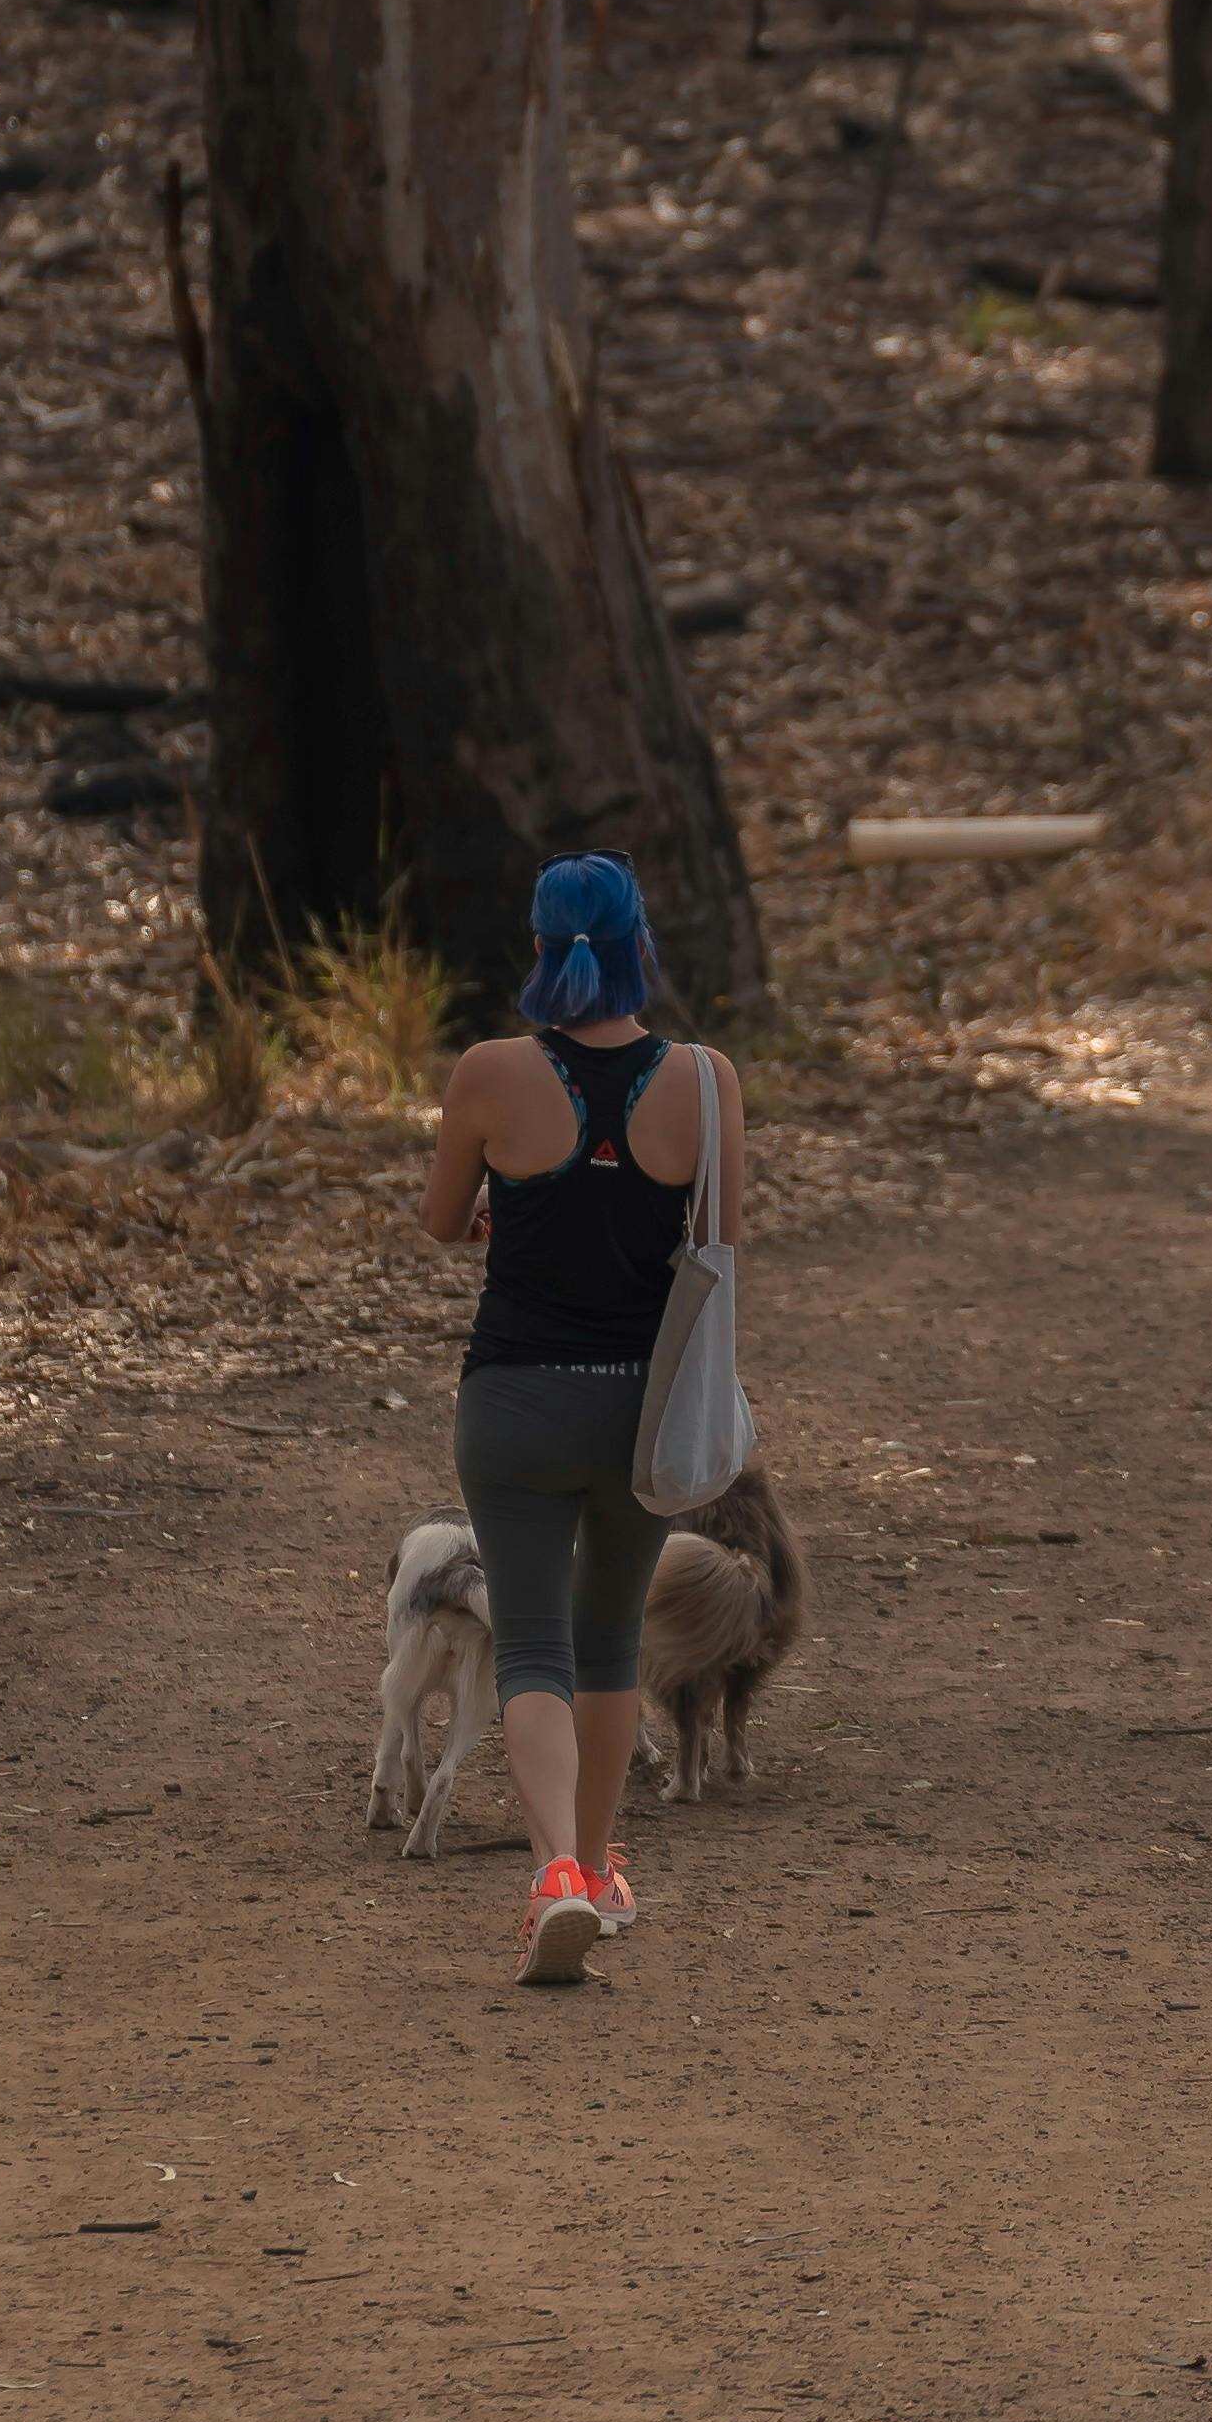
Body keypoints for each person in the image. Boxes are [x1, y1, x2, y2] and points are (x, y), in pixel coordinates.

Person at [419, 847, 746, 1987]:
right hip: (641, 1415)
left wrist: (522, 1214)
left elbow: (442, 1217)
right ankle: (600, 1868)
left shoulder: (488, 1071)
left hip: (512, 1402)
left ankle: (555, 1871)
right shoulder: (706, 1079)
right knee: (608, 1640)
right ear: (640, 942)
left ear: (543, 943)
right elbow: (718, 1242)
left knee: (534, 1644)